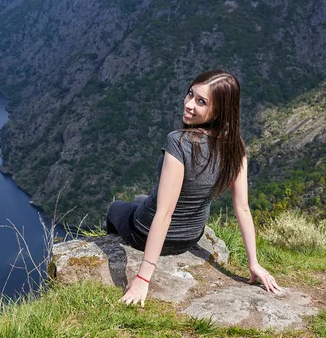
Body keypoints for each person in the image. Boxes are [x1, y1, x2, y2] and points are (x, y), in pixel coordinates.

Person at [106, 69, 281, 307]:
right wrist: (254, 263)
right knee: (140, 198)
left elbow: (165, 214)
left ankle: (112, 245)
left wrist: (142, 279)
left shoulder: (179, 142)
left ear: (220, 110)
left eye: (201, 102)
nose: (189, 104)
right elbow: (243, 208)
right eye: (190, 94)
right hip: (190, 237)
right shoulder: (235, 147)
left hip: (146, 233)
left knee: (116, 208)